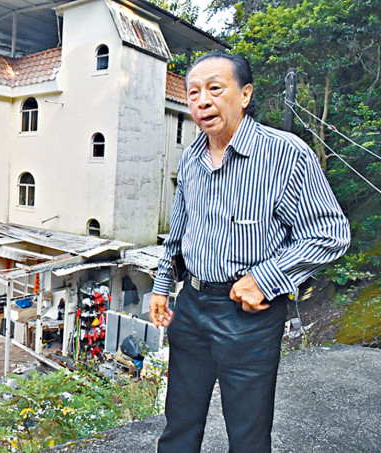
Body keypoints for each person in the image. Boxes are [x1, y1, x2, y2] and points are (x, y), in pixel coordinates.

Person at [149, 52, 350, 453]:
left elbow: (330, 232)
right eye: (193, 92)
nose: (201, 100)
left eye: (214, 89)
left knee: (248, 435)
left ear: (244, 94)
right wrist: (161, 285)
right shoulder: (191, 158)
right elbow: (180, 230)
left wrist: (265, 278)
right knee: (178, 425)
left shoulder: (285, 154)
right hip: (192, 306)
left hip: (248, 318)